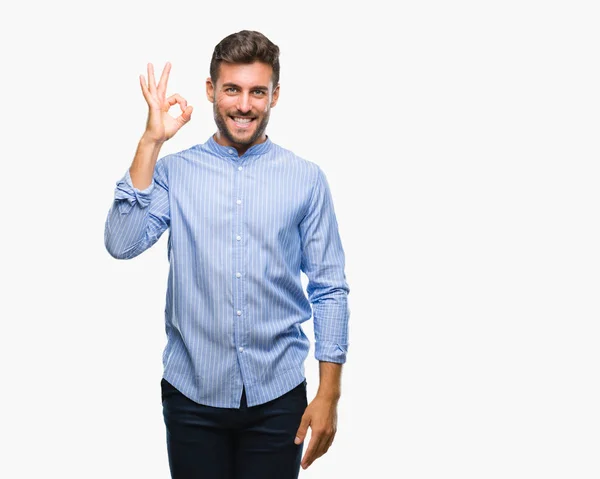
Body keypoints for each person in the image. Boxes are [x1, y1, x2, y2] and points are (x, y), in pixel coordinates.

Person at [104, 30, 350, 479]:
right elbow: (122, 242)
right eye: (232, 89)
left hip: (277, 397)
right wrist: (150, 142)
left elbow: (329, 288)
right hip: (192, 396)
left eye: (258, 91)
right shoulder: (174, 173)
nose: (244, 105)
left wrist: (328, 394)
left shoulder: (306, 179)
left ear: (275, 95)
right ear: (211, 90)